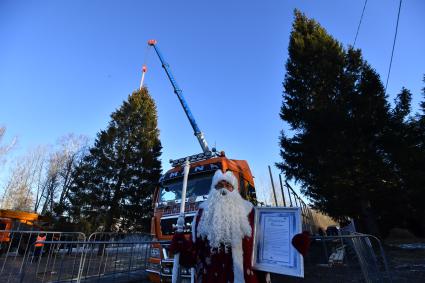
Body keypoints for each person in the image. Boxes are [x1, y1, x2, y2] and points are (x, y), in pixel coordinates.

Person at [170, 169, 310, 283]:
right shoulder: (202, 214)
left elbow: (270, 243)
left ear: (235, 190)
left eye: (228, 186)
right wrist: (182, 247)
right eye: (219, 185)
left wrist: (292, 245)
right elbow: (193, 255)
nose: (223, 189)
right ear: (213, 190)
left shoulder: (250, 212)